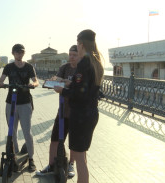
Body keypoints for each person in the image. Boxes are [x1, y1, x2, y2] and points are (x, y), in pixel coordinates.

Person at [57, 29, 104, 183]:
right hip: (91, 114)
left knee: (79, 159)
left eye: (77, 44)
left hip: (80, 116)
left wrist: (62, 90)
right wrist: (71, 83)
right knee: (82, 155)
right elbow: (87, 88)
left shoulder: (84, 62)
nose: (77, 47)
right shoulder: (97, 62)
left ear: (81, 44)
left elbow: (79, 95)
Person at [36, 45, 79, 177]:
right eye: (70, 54)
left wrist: (67, 83)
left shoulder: (82, 70)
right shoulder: (64, 68)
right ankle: (51, 165)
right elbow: (57, 80)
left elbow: (82, 87)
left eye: (74, 55)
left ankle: (71, 165)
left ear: (80, 56)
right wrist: (54, 82)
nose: (71, 57)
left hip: (77, 112)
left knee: (74, 142)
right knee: (55, 138)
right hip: (63, 111)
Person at [0, 44, 39, 172]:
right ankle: (13, 155)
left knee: (27, 132)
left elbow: (36, 80)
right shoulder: (9, 67)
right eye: (17, 52)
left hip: (25, 102)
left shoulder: (29, 67)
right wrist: (1, 84)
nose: (19, 54)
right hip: (11, 102)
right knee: (12, 131)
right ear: (13, 53)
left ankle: (31, 159)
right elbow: (1, 80)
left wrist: (33, 84)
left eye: (21, 52)